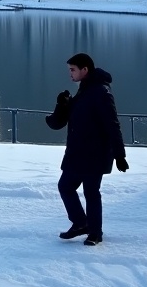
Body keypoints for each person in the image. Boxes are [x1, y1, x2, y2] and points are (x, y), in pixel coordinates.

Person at [46, 52, 129, 246]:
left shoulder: (101, 92)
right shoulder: (83, 91)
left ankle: (95, 233)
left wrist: (119, 155)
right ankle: (80, 223)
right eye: (69, 70)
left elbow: (112, 124)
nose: (70, 74)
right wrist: (61, 105)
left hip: (95, 154)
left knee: (91, 192)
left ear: (85, 70)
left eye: (73, 70)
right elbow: (57, 123)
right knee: (65, 186)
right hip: (76, 153)